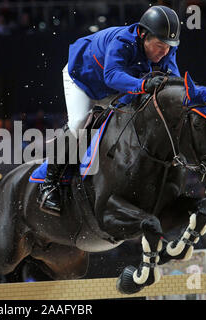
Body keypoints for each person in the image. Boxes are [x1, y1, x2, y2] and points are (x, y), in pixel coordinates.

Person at [38, 5, 182, 215]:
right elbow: (112, 76)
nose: (165, 52)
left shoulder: (166, 48)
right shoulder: (122, 42)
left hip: (115, 86)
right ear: (143, 35)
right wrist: (143, 86)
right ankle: (48, 184)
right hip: (83, 79)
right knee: (79, 123)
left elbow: (174, 81)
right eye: (160, 45)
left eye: (169, 46)